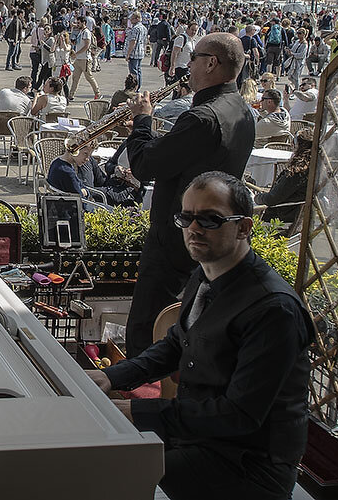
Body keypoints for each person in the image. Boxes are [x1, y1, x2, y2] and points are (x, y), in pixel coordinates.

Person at [87, 172, 313, 500]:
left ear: (244, 227)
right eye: (187, 217)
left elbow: (239, 416)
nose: (194, 228)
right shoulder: (205, 275)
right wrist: (110, 377)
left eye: (210, 219)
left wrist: (137, 411)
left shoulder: (274, 310)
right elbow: (178, 342)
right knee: (90, 453)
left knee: (105, 474)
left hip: (248, 466)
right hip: (200, 440)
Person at [122, 32, 255, 356]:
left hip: (176, 239)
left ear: (211, 63)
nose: (188, 66)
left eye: (193, 58)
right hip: (215, 238)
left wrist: (142, 121)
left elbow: (143, 165)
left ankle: (135, 399)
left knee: (146, 327)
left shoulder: (201, 118)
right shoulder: (242, 111)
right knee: (187, 329)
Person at [254, 129, 314, 224]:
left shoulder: (296, 173)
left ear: (298, 146)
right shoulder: (315, 170)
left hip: (280, 215)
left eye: (293, 142)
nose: (291, 145)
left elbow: (272, 199)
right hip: (297, 214)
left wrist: (257, 198)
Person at [69, 16, 101, 100]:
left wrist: (76, 53)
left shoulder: (86, 32)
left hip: (85, 58)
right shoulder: (80, 32)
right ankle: (71, 94)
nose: (77, 24)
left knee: (88, 77)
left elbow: (87, 46)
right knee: (75, 77)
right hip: (78, 59)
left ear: (84, 23)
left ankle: (97, 93)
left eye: (79, 23)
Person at [123, 11, 147, 89]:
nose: (131, 21)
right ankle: (138, 87)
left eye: (132, 19)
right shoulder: (144, 28)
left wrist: (128, 54)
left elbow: (133, 42)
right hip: (140, 52)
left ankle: (134, 87)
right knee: (138, 71)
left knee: (133, 72)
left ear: (137, 19)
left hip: (134, 53)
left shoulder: (135, 28)